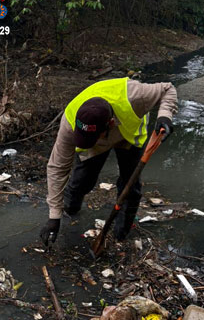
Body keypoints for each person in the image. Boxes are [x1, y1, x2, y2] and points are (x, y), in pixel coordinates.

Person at [40, 77, 177, 247]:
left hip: (129, 136)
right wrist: (54, 217)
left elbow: (167, 88)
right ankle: (71, 210)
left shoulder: (136, 95)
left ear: (110, 124)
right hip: (99, 141)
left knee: (130, 188)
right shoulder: (69, 123)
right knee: (82, 181)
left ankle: (120, 235)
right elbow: (57, 168)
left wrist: (165, 116)